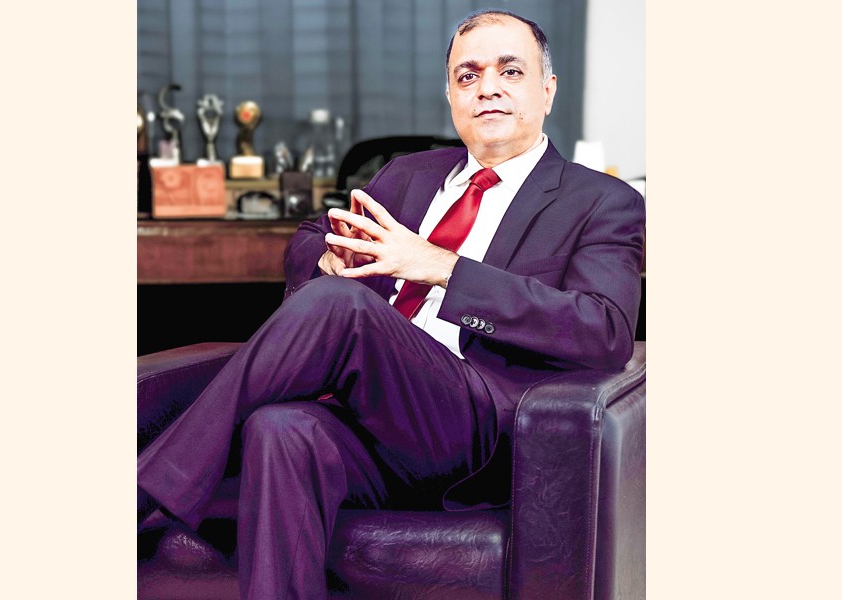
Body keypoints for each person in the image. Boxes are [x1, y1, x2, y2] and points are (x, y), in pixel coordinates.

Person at [137, 8, 645, 599]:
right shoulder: (409, 176)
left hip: (479, 431)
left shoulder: (601, 200)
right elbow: (310, 236)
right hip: (373, 425)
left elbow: (603, 329)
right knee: (282, 429)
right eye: (468, 75)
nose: (487, 88)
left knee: (342, 308)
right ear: (451, 96)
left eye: (510, 71)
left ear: (548, 90)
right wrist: (328, 259)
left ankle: (145, 492)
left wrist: (444, 268)